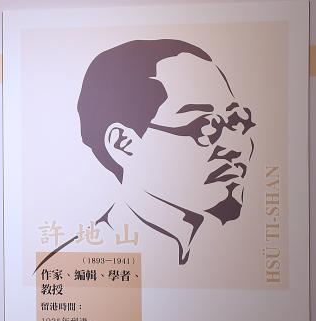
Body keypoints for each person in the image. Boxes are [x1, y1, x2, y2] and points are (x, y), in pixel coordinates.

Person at [75, 38, 256, 265]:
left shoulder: (238, 256)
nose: (234, 145)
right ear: (123, 143)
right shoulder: (85, 260)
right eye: (205, 126)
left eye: (237, 121)